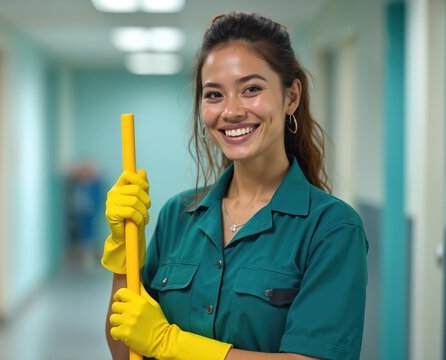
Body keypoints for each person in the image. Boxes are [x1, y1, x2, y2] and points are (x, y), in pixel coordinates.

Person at [101, 12, 368, 360]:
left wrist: (171, 343)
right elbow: (123, 352)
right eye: (214, 95)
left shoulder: (331, 229)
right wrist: (124, 260)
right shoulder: (177, 217)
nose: (231, 111)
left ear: (291, 97)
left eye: (251, 89)